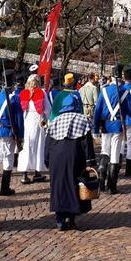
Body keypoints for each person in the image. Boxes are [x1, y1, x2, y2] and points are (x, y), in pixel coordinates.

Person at [44, 97, 97, 231]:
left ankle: (60, 219)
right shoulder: (82, 119)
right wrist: (90, 161)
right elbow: (87, 142)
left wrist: (47, 159)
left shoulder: (55, 120)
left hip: (56, 156)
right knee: (73, 186)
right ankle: (71, 218)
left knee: (58, 186)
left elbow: (48, 142)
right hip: (74, 155)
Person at [93, 68, 128, 194]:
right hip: (117, 126)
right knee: (115, 154)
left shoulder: (104, 90)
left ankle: (101, 180)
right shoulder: (124, 92)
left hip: (105, 126)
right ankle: (111, 186)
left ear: (112, 77)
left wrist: (95, 127)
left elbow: (97, 111)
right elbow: (128, 110)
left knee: (105, 151)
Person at [17, 74, 50, 184]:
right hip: (37, 121)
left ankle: (24, 173)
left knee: (27, 146)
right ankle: (36, 172)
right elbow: (48, 109)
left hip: (27, 121)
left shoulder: (23, 93)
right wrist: (47, 120)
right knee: (38, 146)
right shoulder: (42, 92)